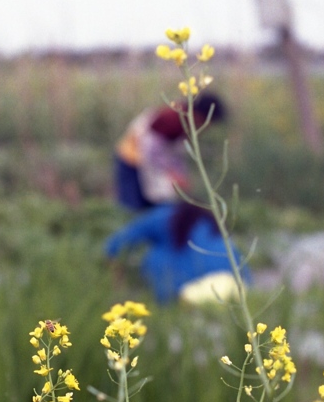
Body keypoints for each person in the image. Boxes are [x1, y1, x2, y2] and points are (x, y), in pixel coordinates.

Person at [104, 201, 250, 304]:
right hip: (234, 290)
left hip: (177, 294)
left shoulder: (162, 214)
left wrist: (116, 280)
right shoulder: (210, 219)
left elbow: (115, 245)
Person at [113, 94, 226, 211]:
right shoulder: (173, 118)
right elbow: (153, 149)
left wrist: (180, 174)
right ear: (200, 115)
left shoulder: (186, 122)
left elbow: (175, 153)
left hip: (147, 161)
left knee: (153, 205)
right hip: (133, 160)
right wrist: (172, 173)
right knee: (132, 205)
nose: (207, 126)